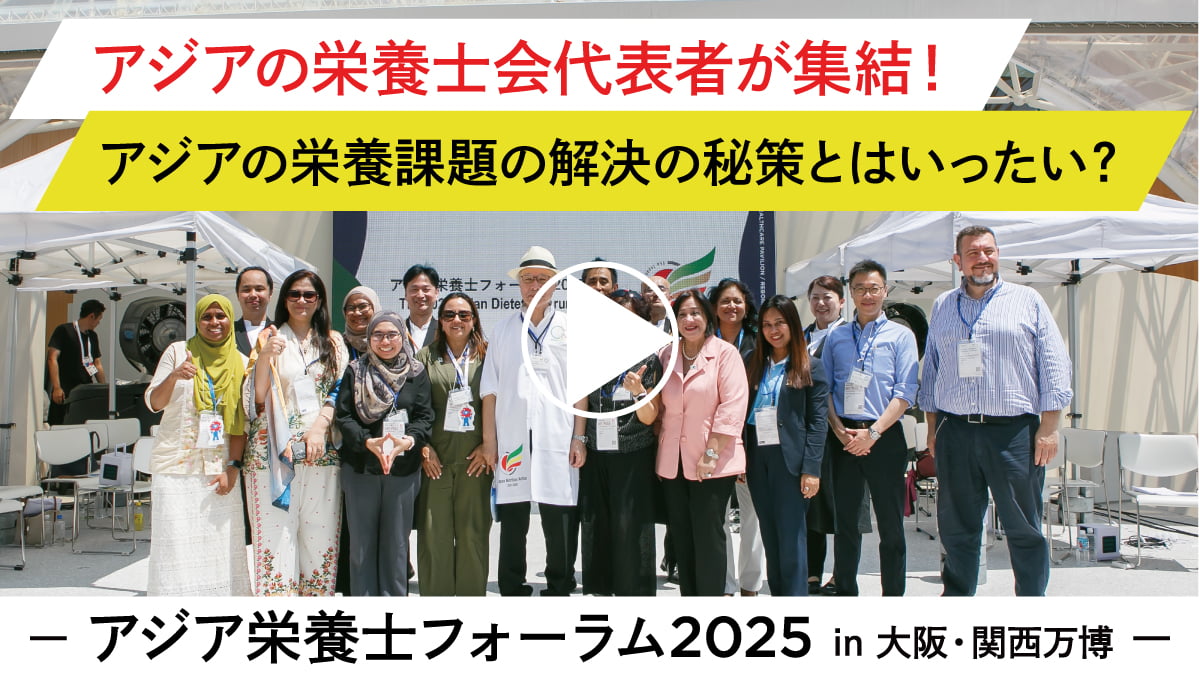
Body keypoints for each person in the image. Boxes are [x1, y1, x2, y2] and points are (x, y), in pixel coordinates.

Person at [918, 226, 1072, 597]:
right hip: (956, 430)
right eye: (973, 253)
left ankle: (1030, 603)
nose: (982, 259)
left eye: (988, 251)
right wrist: (933, 429)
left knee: (1023, 527)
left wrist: (1049, 428)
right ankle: (957, 598)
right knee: (957, 526)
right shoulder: (943, 305)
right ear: (958, 261)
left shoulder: (1027, 300)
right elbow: (933, 369)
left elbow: (1053, 363)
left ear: (998, 254)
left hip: (1013, 433)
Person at [481, 246, 583, 596]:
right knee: (513, 517)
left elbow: (580, 389)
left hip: (557, 434)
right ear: (519, 284)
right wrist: (490, 442)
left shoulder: (570, 328)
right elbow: (490, 390)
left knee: (559, 515)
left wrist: (579, 437)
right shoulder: (503, 330)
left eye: (542, 278)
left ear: (555, 284)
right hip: (513, 435)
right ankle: (512, 584)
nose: (534, 285)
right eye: (527, 279)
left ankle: (559, 583)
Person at [243, 270, 349, 596]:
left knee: (320, 543)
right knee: (275, 543)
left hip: (321, 452)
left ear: (320, 300)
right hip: (273, 454)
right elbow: (256, 396)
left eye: (309, 295)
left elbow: (340, 391)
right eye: (294, 294)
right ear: (284, 299)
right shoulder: (269, 336)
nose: (301, 301)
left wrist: (319, 429)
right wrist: (265, 355)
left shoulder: (334, 342)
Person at [143, 294, 251, 596]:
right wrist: (174, 376)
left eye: (220, 316)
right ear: (197, 321)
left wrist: (233, 468)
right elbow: (154, 402)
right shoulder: (179, 352)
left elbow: (241, 424)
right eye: (207, 317)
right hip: (175, 466)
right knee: (174, 544)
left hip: (217, 469)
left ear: (229, 319)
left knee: (217, 545)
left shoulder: (242, 363)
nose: (214, 322)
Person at [823, 260, 919, 597]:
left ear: (885, 291)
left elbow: (905, 393)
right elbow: (825, 390)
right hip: (844, 438)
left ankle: (892, 597)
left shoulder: (901, 336)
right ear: (850, 292)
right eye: (861, 288)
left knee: (891, 526)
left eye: (874, 288)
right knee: (846, 525)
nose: (868, 295)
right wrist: (839, 431)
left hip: (884, 437)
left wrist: (873, 434)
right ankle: (846, 592)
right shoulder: (836, 336)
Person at [653, 289, 749, 596]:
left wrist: (711, 452)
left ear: (707, 317)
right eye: (682, 314)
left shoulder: (725, 354)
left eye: (695, 313)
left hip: (712, 461)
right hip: (673, 462)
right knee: (682, 536)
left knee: (708, 536)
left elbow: (732, 407)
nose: (689, 319)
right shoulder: (667, 354)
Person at [334, 311, 432, 596]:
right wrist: (367, 442)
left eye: (392, 335)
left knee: (396, 545)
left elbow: (425, 416)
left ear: (402, 336)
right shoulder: (355, 370)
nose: (385, 341)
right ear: (369, 337)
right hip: (361, 468)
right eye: (378, 335)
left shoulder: (416, 372)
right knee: (361, 546)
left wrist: (408, 441)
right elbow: (344, 416)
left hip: (402, 470)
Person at [579, 289, 662, 596]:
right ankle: (600, 588)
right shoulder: (591, 354)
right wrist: (579, 439)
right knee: (597, 522)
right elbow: (582, 401)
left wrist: (639, 391)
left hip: (633, 452)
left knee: (632, 525)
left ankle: (634, 591)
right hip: (596, 451)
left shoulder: (649, 359)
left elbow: (650, 416)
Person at [744, 295, 829, 596]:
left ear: (792, 324)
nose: (773, 330)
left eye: (779, 323)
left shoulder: (810, 367)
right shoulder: (752, 362)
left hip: (790, 459)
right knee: (770, 534)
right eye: (767, 325)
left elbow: (818, 423)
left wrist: (812, 469)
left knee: (791, 536)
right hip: (757, 455)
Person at [415, 293, 492, 596]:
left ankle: (471, 605)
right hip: (436, 461)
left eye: (463, 315)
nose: (456, 320)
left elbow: (500, 405)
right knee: (435, 535)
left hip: (476, 460)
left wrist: (489, 445)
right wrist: (423, 447)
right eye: (449, 314)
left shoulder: (488, 356)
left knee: (473, 534)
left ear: (474, 320)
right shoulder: (425, 357)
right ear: (441, 321)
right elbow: (413, 406)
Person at [803, 275, 869, 596]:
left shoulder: (852, 335)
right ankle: (811, 573)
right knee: (811, 502)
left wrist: (842, 429)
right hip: (810, 432)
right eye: (815, 297)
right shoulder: (802, 336)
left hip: (846, 430)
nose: (821, 303)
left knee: (847, 509)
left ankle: (843, 577)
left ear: (842, 302)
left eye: (828, 297)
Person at [707, 278, 764, 596]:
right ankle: (725, 582)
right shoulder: (704, 341)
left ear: (746, 306)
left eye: (737, 301)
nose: (731, 306)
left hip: (751, 438)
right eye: (725, 301)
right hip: (712, 440)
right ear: (714, 307)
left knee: (752, 513)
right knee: (718, 517)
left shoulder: (759, 341)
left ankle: (750, 582)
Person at [332, 284, 381, 595]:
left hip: (385, 449)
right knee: (347, 522)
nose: (358, 312)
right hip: (344, 445)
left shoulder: (390, 344)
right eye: (351, 307)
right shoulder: (335, 347)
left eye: (364, 306)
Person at [46, 298, 106, 427]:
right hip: (65, 390)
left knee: (83, 424)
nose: (98, 323)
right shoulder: (64, 330)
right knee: (61, 424)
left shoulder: (92, 336)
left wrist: (104, 388)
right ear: (91, 316)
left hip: (85, 391)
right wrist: (57, 387)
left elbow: (97, 363)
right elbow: (52, 358)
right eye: (98, 319)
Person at [234, 266, 274, 356]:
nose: (253, 295)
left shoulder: (281, 331)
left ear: (270, 293)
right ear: (237, 294)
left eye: (259, 289)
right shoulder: (228, 332)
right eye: (246, 290)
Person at [402, 264, 441, 351]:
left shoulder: (444, 331)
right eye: (414, 289)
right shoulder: (398, 330)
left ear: (436, 293)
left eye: (426, 289)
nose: (420, 295)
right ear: (405, 294)